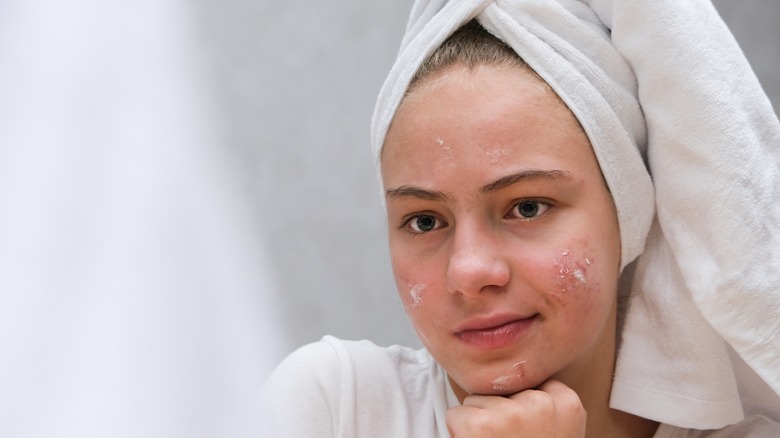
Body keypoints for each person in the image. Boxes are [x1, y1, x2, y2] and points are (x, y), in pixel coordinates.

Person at [263, 0, 780, 436]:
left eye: (527, 208)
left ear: (629, 213)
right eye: (424, 221)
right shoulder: (339, 408)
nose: (468, 272)